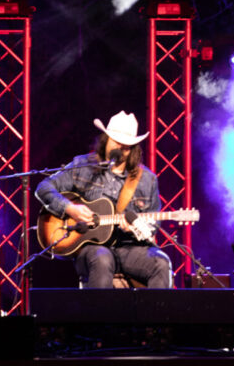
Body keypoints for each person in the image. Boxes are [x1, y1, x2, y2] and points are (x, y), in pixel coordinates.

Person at [35, 111, 172, 288]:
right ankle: (99, 316)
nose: (120, 149)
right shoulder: (82, 166)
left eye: (126, 146)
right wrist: (70, 209)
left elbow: (153, 224)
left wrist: (135, 228)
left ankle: (155, 314)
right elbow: (43, 188)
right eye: (116, 141)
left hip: (130, 249)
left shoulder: (147, 179)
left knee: (161, 263)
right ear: (106, 139)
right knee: (102, 258)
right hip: (92, 249)